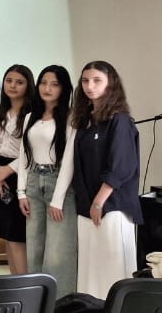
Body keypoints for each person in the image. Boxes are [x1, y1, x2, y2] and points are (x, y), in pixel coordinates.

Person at [70, 61, 142, 300]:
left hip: (112, 206)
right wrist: (88, 203)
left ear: (111, 83)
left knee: (113, 272)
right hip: (87, 207)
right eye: (85, 80)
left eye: (96, 80)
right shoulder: (86, 121)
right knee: (90, 272)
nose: (89, 86)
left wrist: (99, 202)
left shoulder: (120, 120)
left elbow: (121, 166)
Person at [16, 65, 78, 297]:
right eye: (43, 82)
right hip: (33, 182)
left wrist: (58, 199)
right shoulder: (30, 117)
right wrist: (21, 192)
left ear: (64, 88)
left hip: (58, 183)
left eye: (54, 84)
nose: (47, 88)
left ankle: (61, 304)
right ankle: (36, 302)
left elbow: (69, 160)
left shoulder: (72, 118)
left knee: (57, 254)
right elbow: (24, 156)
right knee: (34, 249)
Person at [0, 64, 36, 274]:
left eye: (19, 82)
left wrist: (9, 170)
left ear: (28, 86)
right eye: (9, 81)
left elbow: (32, 150)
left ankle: (24, 284)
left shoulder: (33, 114)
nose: (13, 85)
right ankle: (14, 280)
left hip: (21, 174)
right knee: (6, 234)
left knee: (17, 236)